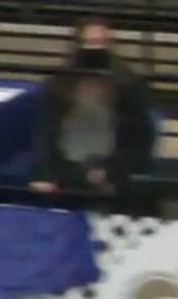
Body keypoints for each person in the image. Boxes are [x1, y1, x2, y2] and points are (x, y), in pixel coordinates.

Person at [28, 15, 157, 212]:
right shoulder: (57, 85)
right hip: (65, 170)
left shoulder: (130, 86)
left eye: (103, 42)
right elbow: (44, 135)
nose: (97, 49)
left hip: (111, 170)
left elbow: (141, 143)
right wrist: (44, 173)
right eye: (91, 43)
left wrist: (110, 170)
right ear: (78, 46)